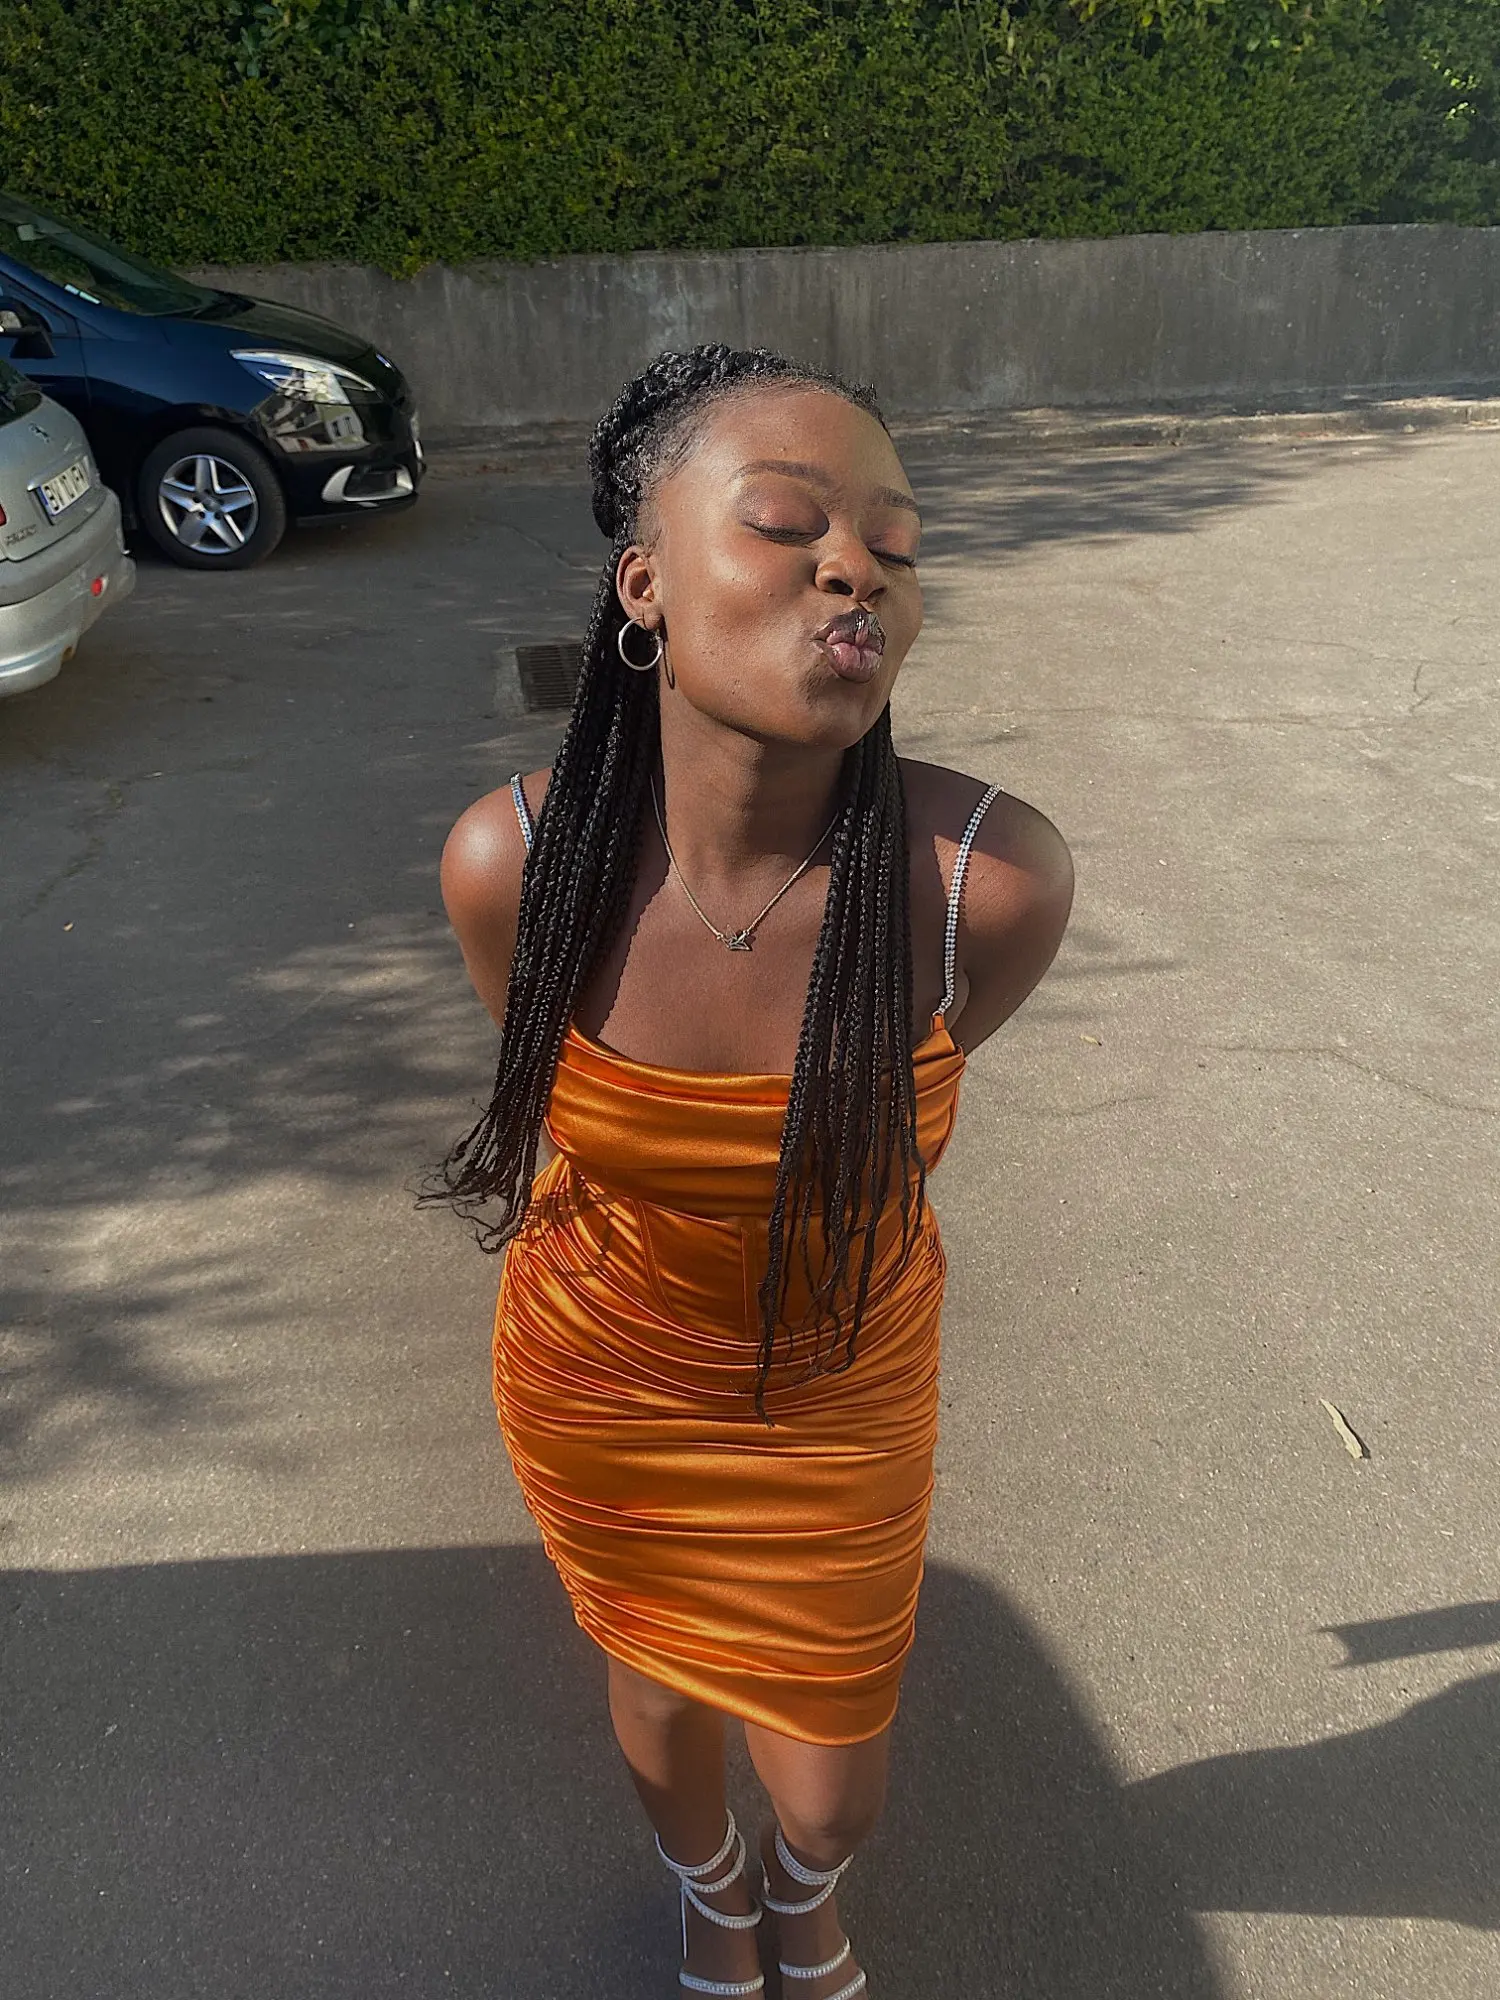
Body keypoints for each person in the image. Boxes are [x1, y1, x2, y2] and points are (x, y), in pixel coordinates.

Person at [436, 344, 1073, 1999]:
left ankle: (802, 1875)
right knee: (654, 1680)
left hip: (843, 1383)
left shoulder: (982, 886)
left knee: (837, 1786)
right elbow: (572, 1113)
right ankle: (711, 1885)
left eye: (896, 543)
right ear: (643, 583)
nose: (857, 565)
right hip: (603, 1375)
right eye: (788, 523)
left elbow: (897, 1120)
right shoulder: (515, 864)